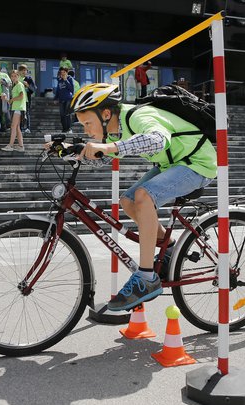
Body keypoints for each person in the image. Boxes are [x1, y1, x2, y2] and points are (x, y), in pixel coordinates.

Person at [70, 83, 217, 311]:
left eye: (88, 123)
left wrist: (110, 148)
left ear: (106, 114)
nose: (87, 130)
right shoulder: (120, 127)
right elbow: (103, 155)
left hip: (197, 163)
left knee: (143, 195)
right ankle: (168, 250)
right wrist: (68, 148)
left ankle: (146, 278)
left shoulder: (139, 116)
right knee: (128, 201)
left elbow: (158, 140)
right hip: (173, 164)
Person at [1, 70, 26, 152]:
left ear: (18, 76)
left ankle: (10, 145)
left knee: (13, 126)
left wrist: (11, 99)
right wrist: (6, 99)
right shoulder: (15, 86)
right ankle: (21, 146)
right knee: (17, 127)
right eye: (12, 76)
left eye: (15, 76)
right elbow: (11, 101)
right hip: (16, 108)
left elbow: (21, 96)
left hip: (18, 108)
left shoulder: (19, 85)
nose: (14, 77)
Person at [54, 67, 74, 133]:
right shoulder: (59, 80)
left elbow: (71, 89)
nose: (62, 74)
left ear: (67, 72)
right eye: (61, 72)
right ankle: (64, 129)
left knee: (67, 114)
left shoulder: (70, 78)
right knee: (62, 115)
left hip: (68, 99)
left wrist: (66, 80)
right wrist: (55, 98)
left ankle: (69, 128)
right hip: (61, 100)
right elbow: (58, 90)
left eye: (64, 72)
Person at [18, 63, 35, 133]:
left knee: (27, 113)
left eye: (25, 70)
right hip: (18, 100)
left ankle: (28, 128)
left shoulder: (29, 78)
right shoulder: (17, 78)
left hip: (26, 100)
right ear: (19, 71)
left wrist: (27, 85)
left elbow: (33, 89)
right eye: (22, 70)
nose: (24, 72)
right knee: (19, 114)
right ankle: (20, 128)